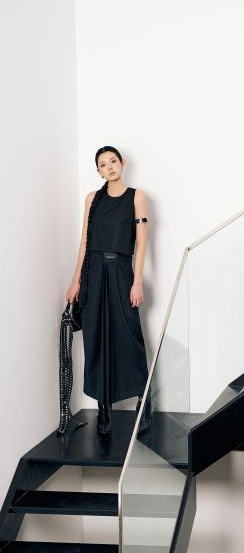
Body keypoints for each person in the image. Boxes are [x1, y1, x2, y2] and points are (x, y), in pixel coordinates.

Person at [66, 145, 150, 435]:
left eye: (113, 161)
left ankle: (143, 398)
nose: (109, 167)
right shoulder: (93, 199)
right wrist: (76, 279)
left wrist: (137, 281)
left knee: (129, 336)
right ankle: (104, 406)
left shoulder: (137, 197)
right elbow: (85, 242)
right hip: (93, 273)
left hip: (122, 271)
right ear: (99, 171)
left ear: (123, 163)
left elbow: (142, 242)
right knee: (96, 339)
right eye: (103, 164)